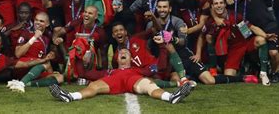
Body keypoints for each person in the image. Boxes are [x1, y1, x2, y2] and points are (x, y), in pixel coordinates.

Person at [49, 48, 193, 104]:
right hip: (113, 80)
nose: (123, 53)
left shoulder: (139, 69)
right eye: (121, 53)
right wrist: (79, 58)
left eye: (127, 52)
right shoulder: (109, 71)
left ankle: (171, 97)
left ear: (131, 58)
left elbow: (160, 67)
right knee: (93, 85)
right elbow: (83, 74)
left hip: (134, 78)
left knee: (149, 85)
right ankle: (70, 96)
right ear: (117, 59)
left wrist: (162, 48)